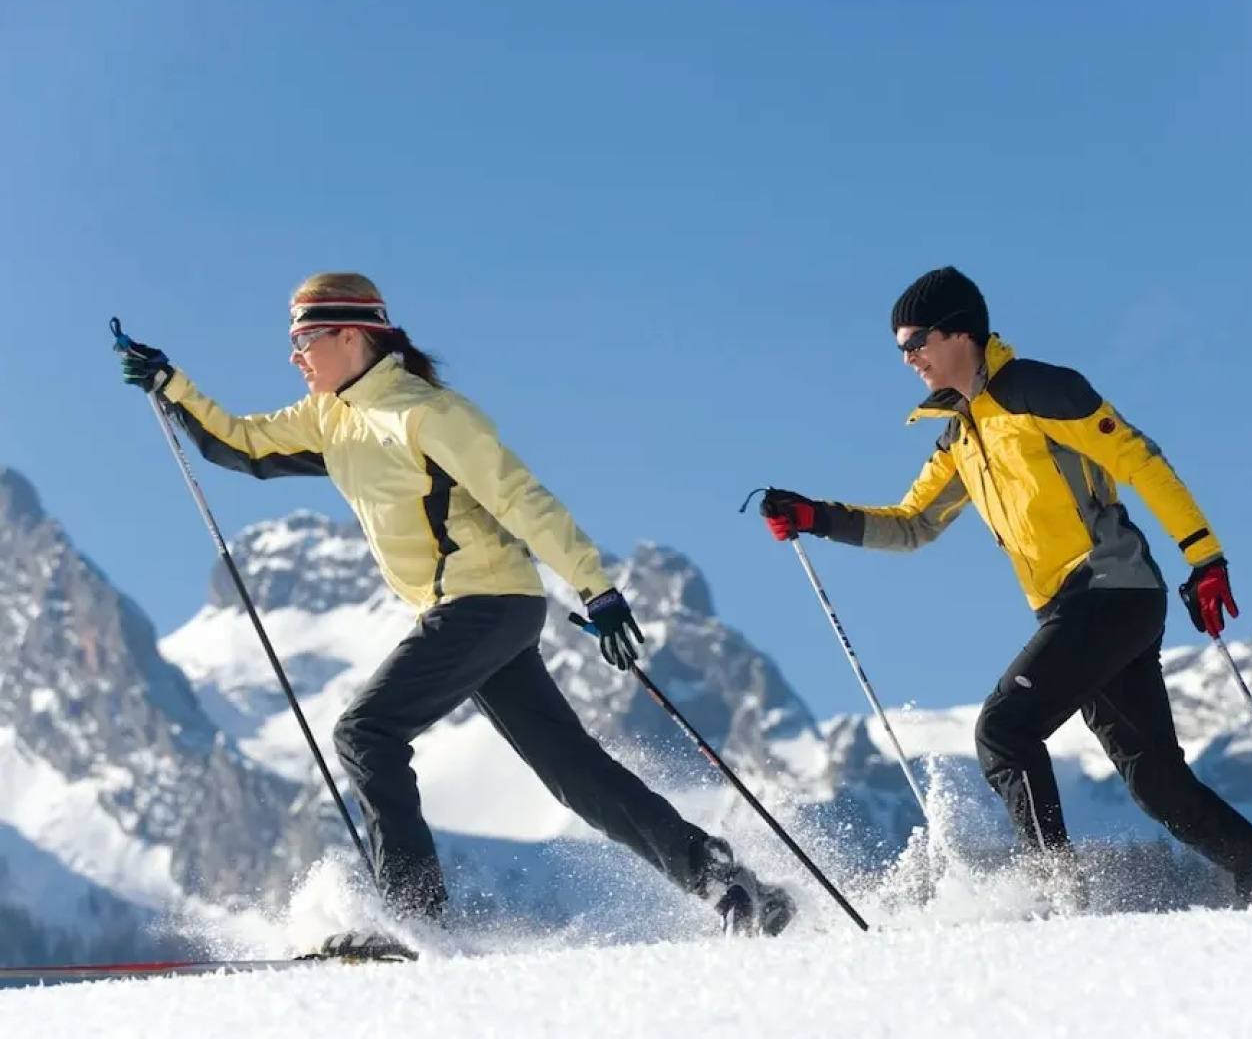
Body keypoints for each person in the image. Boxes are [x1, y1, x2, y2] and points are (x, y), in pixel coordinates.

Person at [116, 271, 794, 938]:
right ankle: (732, 887)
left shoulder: (426, 413)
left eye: (304, 341)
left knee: (366, 732)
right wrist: (171, 386)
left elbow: (520, 497)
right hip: (471, 611)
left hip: (486, 600)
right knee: (575, 775)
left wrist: (598, 587)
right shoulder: (331, 417)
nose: (294, 358)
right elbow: (243, 445)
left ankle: (414, 923)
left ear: (351, 336)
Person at [756, 265, 1252, 910]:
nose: (908, 358)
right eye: (901, 347)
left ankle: (1059, 895)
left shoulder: (1040, 390)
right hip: (1074, 610)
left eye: (916, 340)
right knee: (1159, 787)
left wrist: (1204, 557)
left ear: (960, 333)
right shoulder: (960, 437)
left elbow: (1139, 460)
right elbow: (914, 524)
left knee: (1005, 729)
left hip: (1111, 590)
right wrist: (816, 516)